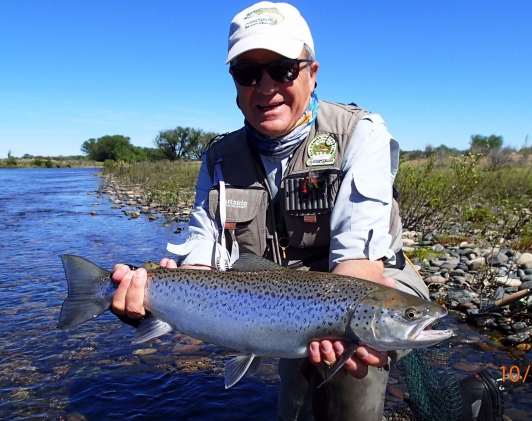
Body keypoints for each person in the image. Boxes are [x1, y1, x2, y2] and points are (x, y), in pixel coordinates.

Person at [111, 2, 430, 420]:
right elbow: (203, 260)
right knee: (294, 405)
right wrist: (153, 300)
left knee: (353, 379)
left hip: (367, 285)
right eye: (248, 73)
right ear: (235, 83)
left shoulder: (360, 134)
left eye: (282, 69)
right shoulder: (218, 159)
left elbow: (359, 260)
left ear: (311, 74)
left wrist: (342, 327)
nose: (265, 87)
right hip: (276, 298)